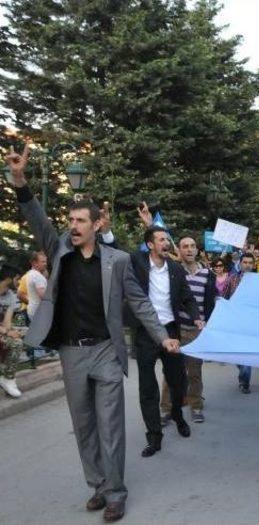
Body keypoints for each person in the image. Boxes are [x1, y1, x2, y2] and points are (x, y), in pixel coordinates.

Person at [6, 143, 179, 522]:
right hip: (71, 353)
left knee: (110, 426)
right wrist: (19, 181)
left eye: (81, 221)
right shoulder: (59, 252)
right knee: (83, 426)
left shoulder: (117, 262)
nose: (73, 226)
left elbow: (140, 302)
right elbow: (38, 220)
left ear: (97, 225)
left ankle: (116, 493)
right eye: (71, 221)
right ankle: (98, 485)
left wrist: (162, 334)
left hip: (104, 351)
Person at [130, 226, 204, 458]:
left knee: (178, 381)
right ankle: (154, 437)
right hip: (145, 333)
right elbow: (114, 249)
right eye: (161, 239)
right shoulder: (138, 263)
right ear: (150, 245)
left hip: (171, 331)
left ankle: (178, 416)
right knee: (148, 387)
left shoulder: (175, 269)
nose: (167, 243)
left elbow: (187, 297)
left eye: (168, 239)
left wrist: (196, 316)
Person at [159, 236, 216, 424]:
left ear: (197, 250)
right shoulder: (173, 272)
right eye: (185, 246)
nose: (189, 249)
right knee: (171, 372)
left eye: (193, 246)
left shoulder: (208, 274)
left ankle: (196, 405)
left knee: (194, 372)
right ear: (179, 251)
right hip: (176, 330)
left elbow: (212, 300)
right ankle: (166, 409)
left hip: (197, 332)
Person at [232, 252, 257, 393]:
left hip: (251, 323)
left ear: (254, 265)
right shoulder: (232, 280)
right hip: (236, 323)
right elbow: (224, 299)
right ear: (240, 264)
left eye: (250, 263)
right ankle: (242, 370)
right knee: (237, 352)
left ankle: (245, 381)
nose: (247, 265)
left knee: (247, 354)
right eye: (245, 262)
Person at [0, 265, 25, 398]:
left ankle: (8, 379)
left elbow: (7, 322)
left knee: (17, 342)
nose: (19, 282)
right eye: (17, 279)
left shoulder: (10, 295)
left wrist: (12, 331)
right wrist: (6, 332)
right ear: (9, 279)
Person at [25, 251, 48, 321]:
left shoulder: (31, 273)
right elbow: (44, 296)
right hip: (38, 312)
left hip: (34, 311)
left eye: (46, 262)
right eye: (43, 262)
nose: (45, 264)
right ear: (34, 263)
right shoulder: (37, 276)